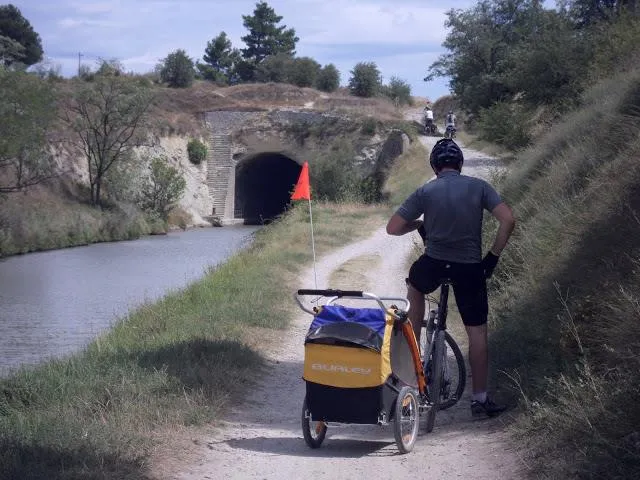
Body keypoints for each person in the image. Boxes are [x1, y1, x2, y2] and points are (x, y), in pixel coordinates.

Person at [385, 138, 516, 418]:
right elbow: (508, 220)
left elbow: (392, 228)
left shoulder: (426, 191)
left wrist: (417, 224)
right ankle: (480, 400)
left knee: (416, 284)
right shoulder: (479, 187)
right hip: (469, 268)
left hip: (433, 264)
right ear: (460, 164)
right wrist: (492, 257)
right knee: (477, 333)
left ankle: (415, 347)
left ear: (434, 167)